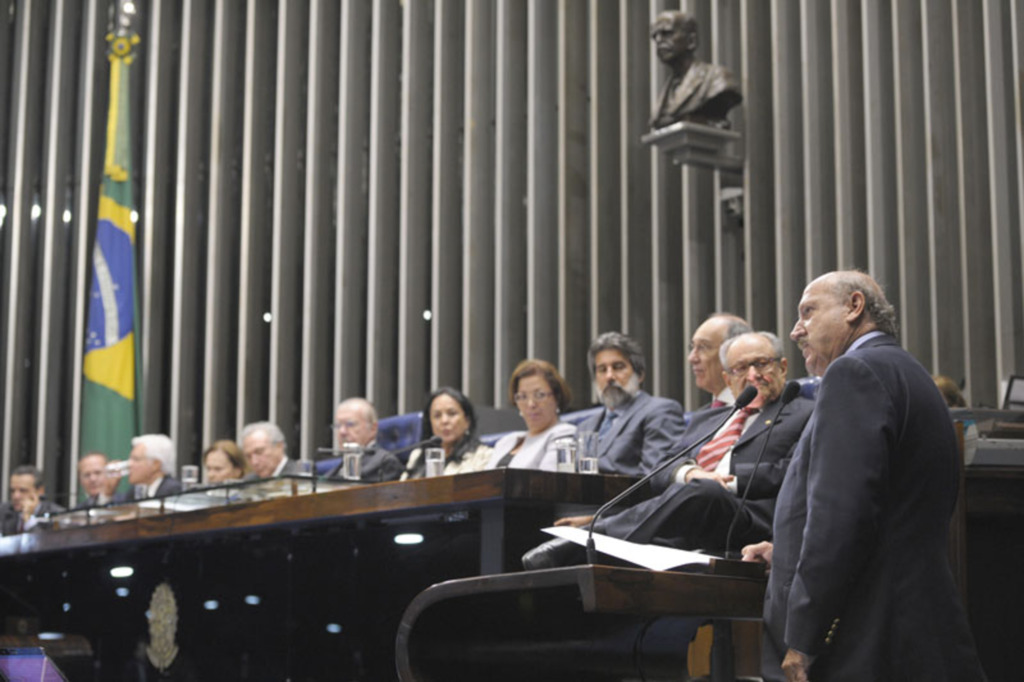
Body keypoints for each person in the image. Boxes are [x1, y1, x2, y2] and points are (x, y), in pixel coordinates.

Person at [742, 271, 986, 682]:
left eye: (808, 312)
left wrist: (803, 635)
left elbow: (841, 516)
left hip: (866, 631)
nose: (795, 329)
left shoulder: (852, 373)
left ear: (854, 307)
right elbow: (890, 506)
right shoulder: (906, 371)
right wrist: (787, 549)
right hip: (912, 617)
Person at [523, 331, 813, 569]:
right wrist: (689, 473)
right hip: (687, 514)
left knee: (705, 491)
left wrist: (728, 478)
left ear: (782, 367)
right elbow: (659, 471)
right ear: (728, 379)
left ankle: (587, 539)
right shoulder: (709, 419)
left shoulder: (804, 412)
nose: (752, 375)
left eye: (761, 364)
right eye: (740, 369)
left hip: (748, 516)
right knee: (694, 492)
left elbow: (795, 469)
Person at [574, 332, 687, 476]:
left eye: (618, 367)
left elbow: (654, 476)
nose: (609, 376)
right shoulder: (584, 427)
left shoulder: (661, 411)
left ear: (639, 375)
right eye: (602, 370)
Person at [649, 10, 742, 129]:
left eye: (667, 33)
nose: (659, 40)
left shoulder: (718, 78)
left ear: (691, 41)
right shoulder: (663, 98)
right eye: (655, 36)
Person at [486, 359, 576, 471]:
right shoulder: (505, 441)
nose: (531, 404)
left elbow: (549, 483)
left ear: (557, 397)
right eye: (523, 397)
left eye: (539, 395)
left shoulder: (564, 435)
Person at [401, 387, 493, 480]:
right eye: (437, 416)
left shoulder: (484, 455)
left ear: (467, 420)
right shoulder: (417, 455)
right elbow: (402, 491)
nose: (444, 421)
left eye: (452, 414)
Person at [328, 398, 404, 482]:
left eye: (350, 424)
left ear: (373, 428)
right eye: (338, 426)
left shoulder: (385, 462)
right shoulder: (339, 465)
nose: (342, 432)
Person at [689, 313, 752, 407]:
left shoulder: (756, 411)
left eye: (703, 347)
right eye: (693, 347)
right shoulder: (699, 418)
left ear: (734, 351)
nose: (692, 358)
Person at [1, 465, 65, 534]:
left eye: (23, 490)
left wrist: (28, 520)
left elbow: (45, 543)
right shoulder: (3, 511)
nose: (16, 496)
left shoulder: (56, 515)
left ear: (40, 491)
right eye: (12, 491)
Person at [118, 434, 183, 500]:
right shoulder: (136, 490)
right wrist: (109, 493)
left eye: (136, 459)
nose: (129, 464)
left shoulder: (172, 491)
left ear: (156, 465)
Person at [240, 422, 305, 479]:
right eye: (248, 456)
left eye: (259, 452)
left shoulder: (301, 476)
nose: (254, 462)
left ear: (279, 447)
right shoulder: (247, 483)